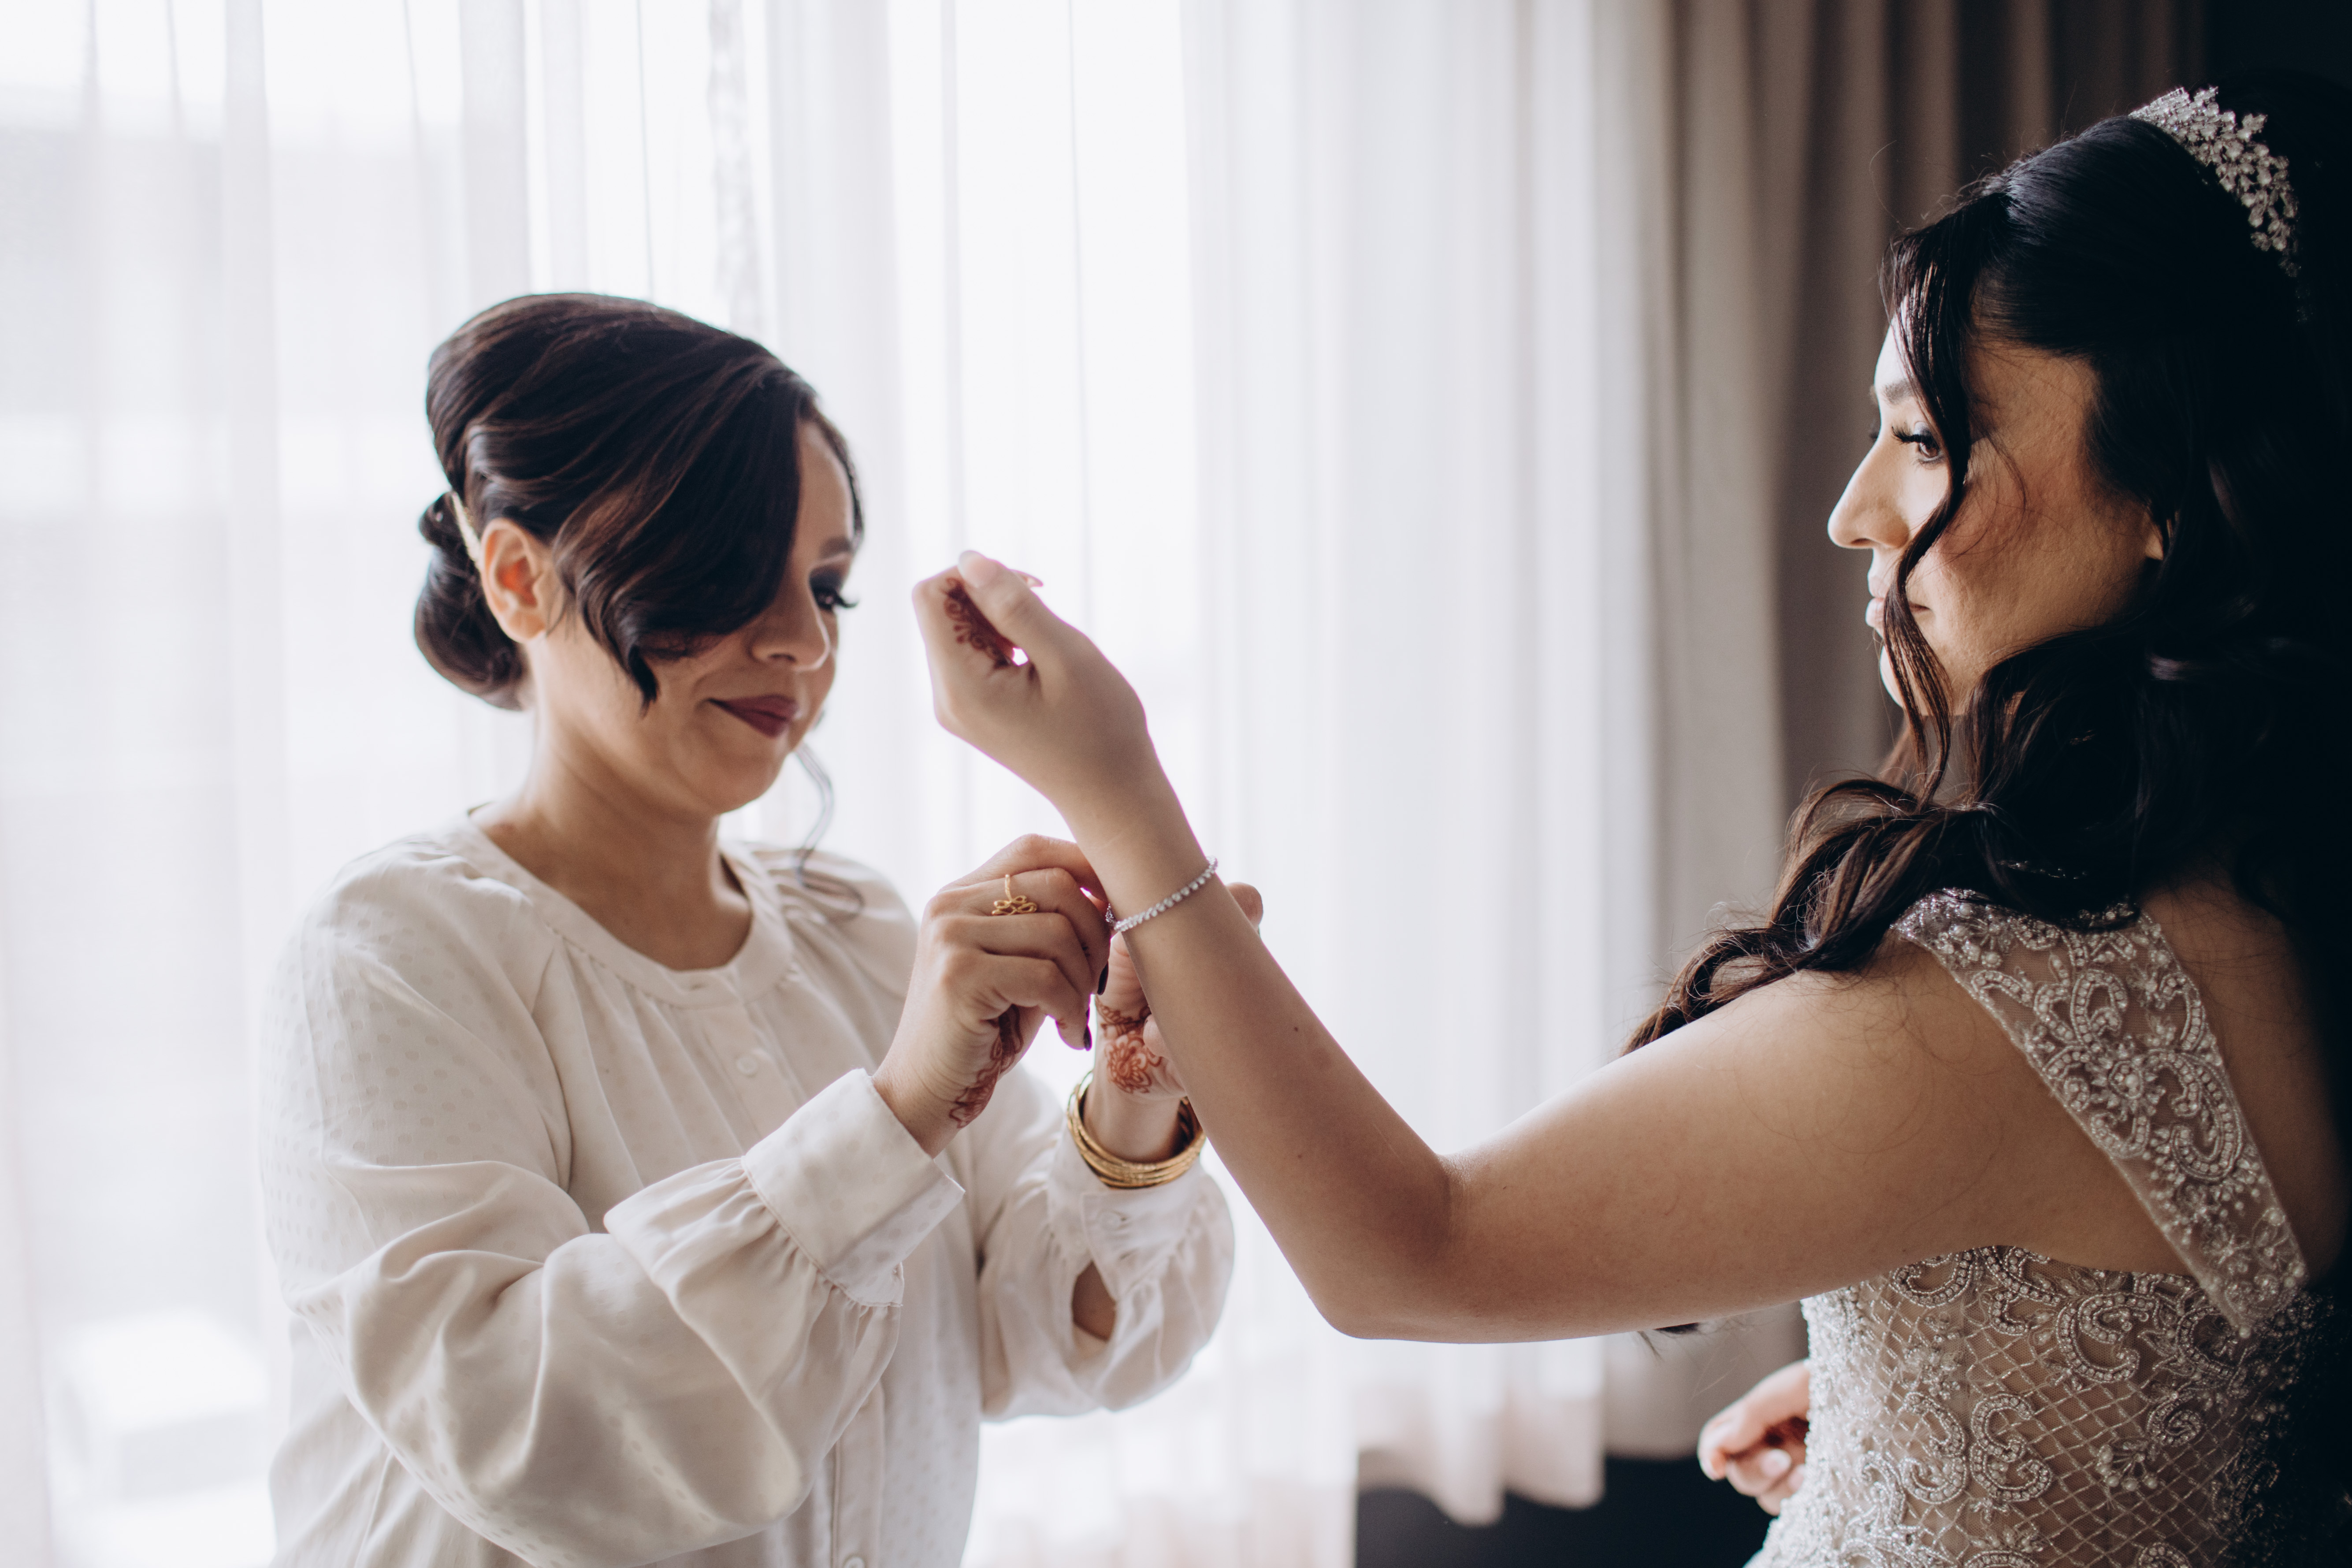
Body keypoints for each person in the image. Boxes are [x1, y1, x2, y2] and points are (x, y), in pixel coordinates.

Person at [910, 76, 2352, 1565]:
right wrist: (1947, 1421)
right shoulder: (2270, 906)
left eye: (1923, 439)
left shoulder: (2033, 1002)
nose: (1853, 512)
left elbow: (1409, 1252)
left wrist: (1116, 792)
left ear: (2165, 493)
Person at [257, 294, 1234, 1567]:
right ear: (518, 578)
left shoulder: (861, 935)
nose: (801, 642)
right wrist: (896, 1115)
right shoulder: (390, 959)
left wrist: (1134, 1090)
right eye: (725, 570)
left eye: (826, 587)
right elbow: (530, 1438)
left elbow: (1041, 1340)